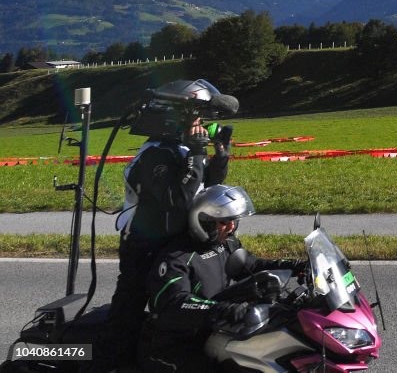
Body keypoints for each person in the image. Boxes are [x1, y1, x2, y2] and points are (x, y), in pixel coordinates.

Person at [89, 79, 234, 372]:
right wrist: (196, 153)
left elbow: (202, 188)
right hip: (144, 245)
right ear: (172, 118)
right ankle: (107, 365)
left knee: (181, 303)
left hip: (176, 239)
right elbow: (176, 200)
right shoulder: (156, 154)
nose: (199, 124)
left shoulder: (181, 148)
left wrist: (220, 159)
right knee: (128, 310)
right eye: (193, 117)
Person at [142, 185, 307, 373]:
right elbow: (174, 303)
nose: (230, 227)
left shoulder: (225, 244)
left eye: (233, 221)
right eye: (224, 222)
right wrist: (222, 309)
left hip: (213, 333)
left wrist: (296, 266)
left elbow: (251, 266)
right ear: (203, 221)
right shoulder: (176, 257)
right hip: (172, 344)